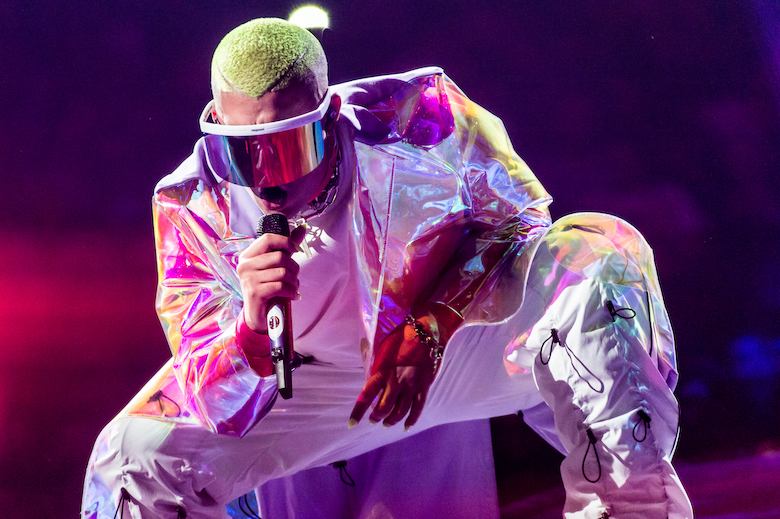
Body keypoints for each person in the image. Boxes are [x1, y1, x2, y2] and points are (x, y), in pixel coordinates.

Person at [82, 17, 693, 519]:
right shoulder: (192, 202)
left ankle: (630, 504)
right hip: (316, 390)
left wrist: (434, 322)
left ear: (329, 116)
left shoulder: (419, 118)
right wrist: (249, 333)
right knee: (130, 456)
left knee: (598, 253)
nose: (266, 176)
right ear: (215, 125)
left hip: (456, 351)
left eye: (287, 146)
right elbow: (204, 384)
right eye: (243, 152)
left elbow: (519, 225)